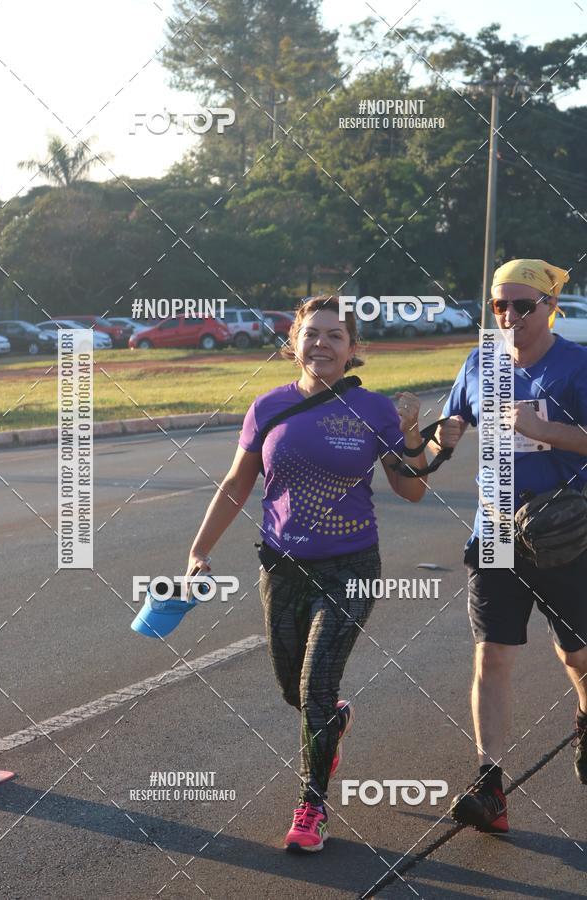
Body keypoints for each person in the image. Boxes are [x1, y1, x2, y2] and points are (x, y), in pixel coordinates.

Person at [186, 295, 430, 852]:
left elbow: (412, 488)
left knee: (317, 685)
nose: (322, 343)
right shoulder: (267, 406)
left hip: (351, 565)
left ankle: (311, 807)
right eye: (312, 333)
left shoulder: (374, 410)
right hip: (282, 566)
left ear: (353, 350)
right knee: (295, 692)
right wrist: (199, 550)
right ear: (293, 341)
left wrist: (413, 435)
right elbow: (235, 484)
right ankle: (331, 723)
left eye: (335, 336)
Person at [435, 259, 587, 834]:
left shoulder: (577, 366)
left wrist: (546, 430)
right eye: (498, 305)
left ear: (551, 307)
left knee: (576, 655)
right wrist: (441, 435)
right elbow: (450, 426)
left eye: (521, 305)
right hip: (496, 529)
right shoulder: (483, 362)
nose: (507, 316)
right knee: (492, 654)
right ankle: (489, 782)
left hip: (562, 533)